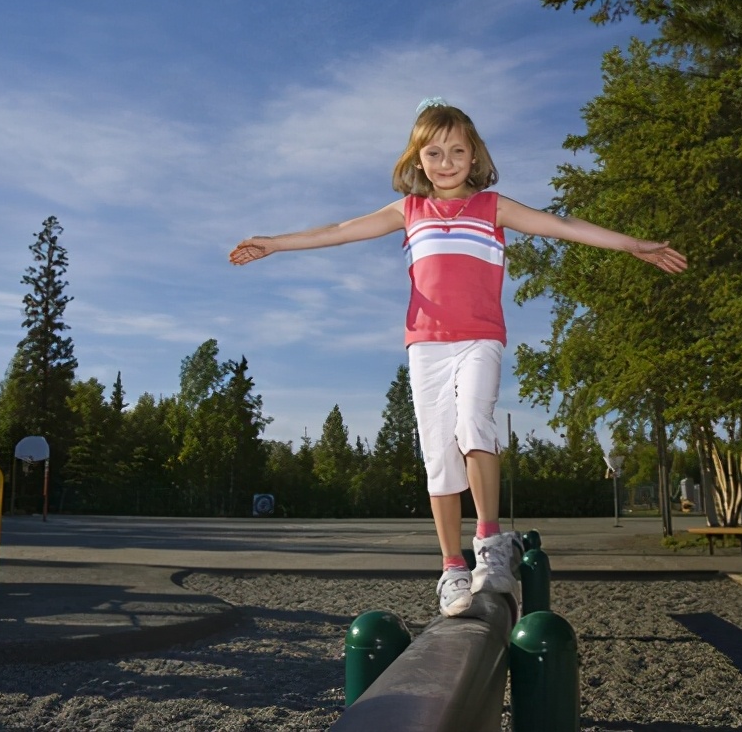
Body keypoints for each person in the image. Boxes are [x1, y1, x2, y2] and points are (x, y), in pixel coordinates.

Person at [230, 97, 686, 617]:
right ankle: (451, 567)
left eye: (457, 151)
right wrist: (275, 243)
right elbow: (337, 231)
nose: (446, 162)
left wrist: (633, 245)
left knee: (474, 424)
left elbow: (561, 225)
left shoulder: (494, 207)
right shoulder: (408, 211)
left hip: (479, 338)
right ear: (416, 159)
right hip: (426, 345)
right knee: (438, 456)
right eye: (434, 153)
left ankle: (489, 543)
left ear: (475, 156)